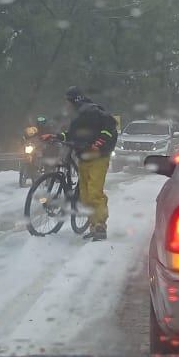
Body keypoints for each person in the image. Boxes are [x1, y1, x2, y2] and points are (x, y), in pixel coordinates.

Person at [60, 86, 118, 241]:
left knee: (94, 192)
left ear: (74, 100)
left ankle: (100, 226)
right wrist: (57, 136)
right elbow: (72, 135)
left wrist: (99, 142)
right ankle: (93, 226)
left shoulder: (93, 111)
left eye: (68, 101)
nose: (66, 105)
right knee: (85, 196)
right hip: (84, 158)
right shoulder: (77, 116)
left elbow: (110, 127)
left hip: (99, 157)